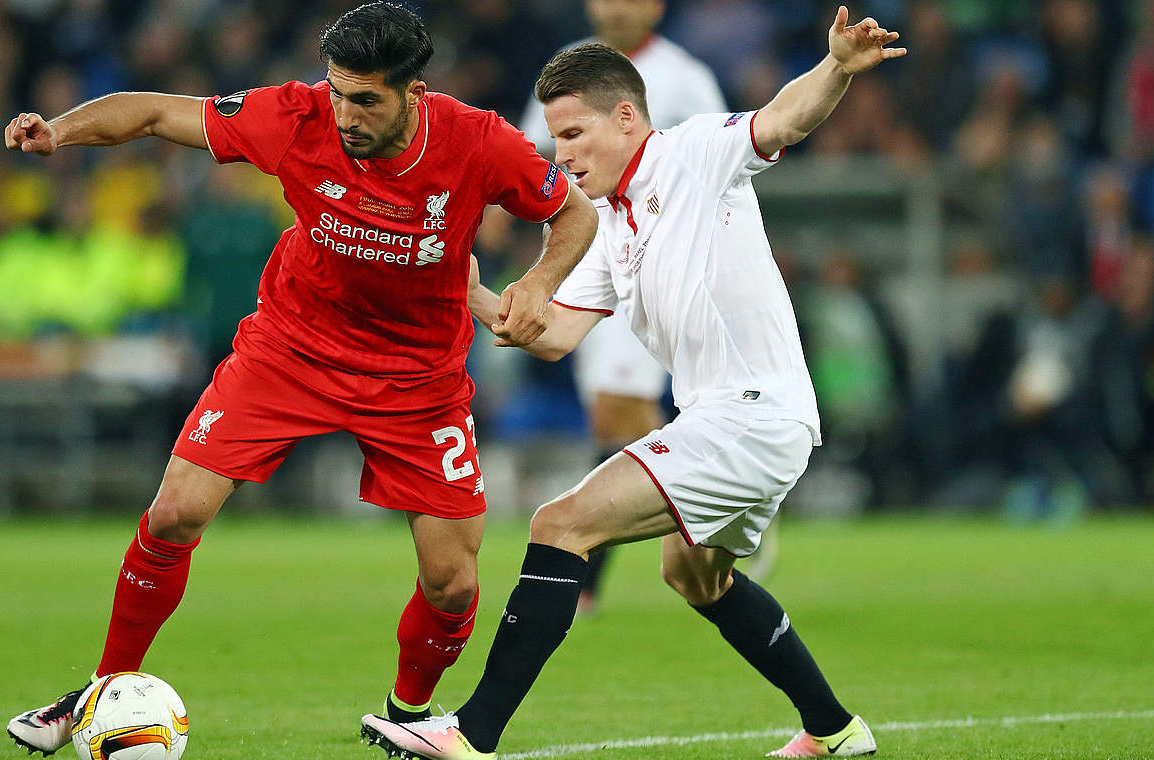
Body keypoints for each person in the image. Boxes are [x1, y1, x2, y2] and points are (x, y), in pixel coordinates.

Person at [1, 3, 597, 756]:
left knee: (452, 582)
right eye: (338, 92)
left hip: (418, 376)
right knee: (174, 513)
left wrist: (540, 284)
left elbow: (574, 214)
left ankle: (407, 713)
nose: (345, 115)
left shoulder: (478, 141)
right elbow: (151, 112)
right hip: (293, 348)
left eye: (366, 99)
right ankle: (100, 692)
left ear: (415, 93)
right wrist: (59, 131)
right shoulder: (294, 116)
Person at [361, 7, 904, 759]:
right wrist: (470, 290)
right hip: (725, 419)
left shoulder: (693, 152)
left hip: (753, 416)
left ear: (626, 116)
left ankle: (471, 734)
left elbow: (782, 119)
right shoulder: (610, 227)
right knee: (696, 578)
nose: (564, 156)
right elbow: (550, 335)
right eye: (556, 141)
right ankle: (834, 731)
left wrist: (839, 65)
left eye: (575, 135)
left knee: (559, 523)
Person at [520, 0, 730, 618]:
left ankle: (589, 570)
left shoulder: (686, 76)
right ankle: (719, 496)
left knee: (618, 410)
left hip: (655, 268)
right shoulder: (566, 77)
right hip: (586, 260)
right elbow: (532, 161)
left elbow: (723, 169)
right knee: (610, 419)